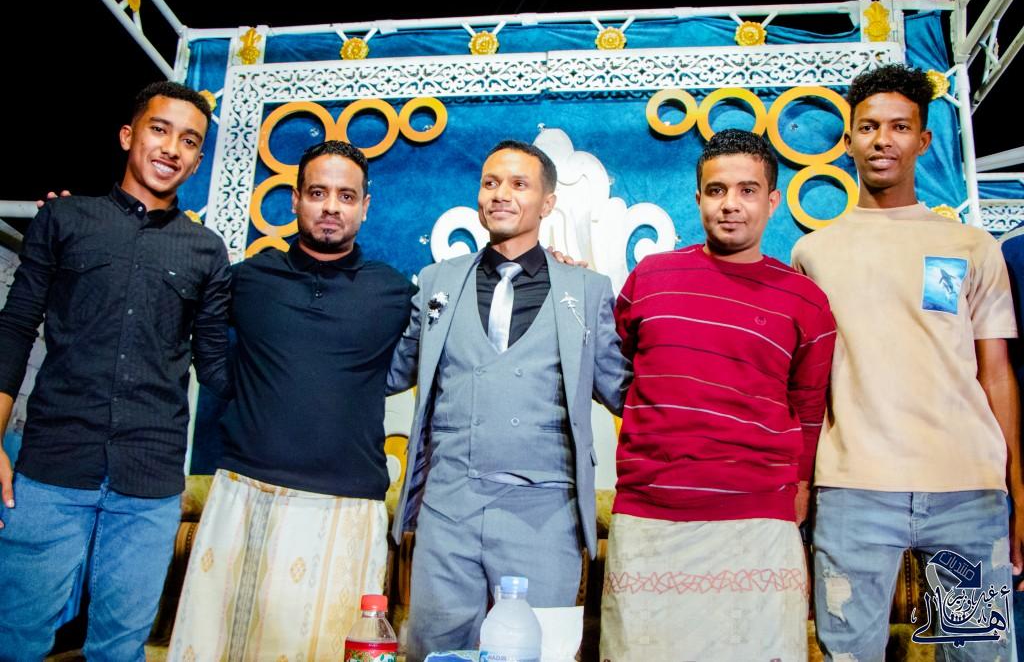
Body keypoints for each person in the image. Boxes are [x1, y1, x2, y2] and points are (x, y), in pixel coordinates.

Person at [792, 64, 1022, 660]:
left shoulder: (971, 246)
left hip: (967, 491)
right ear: (848, 140)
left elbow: (996, 373)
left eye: (899, 126)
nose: (882, 140)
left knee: (976, 654)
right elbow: (804, 386)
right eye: (869, 127)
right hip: (852, 491)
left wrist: (1018, 491)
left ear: (923, 140)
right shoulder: (813, 253)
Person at [0, 82, 230, 660]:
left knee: (121, 648)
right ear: (129, 136)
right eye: (160, 129)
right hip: (51, 468)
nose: (172, 148)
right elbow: (15, 328)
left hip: (149, 481)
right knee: (15, 636)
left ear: (198, 159)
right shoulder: (64, 219)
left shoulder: (207, 251)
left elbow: (216, 368)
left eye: (189, 141)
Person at [167, 141, 415, 661]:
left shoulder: (394, 293)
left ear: (365, 206)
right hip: (244, 494)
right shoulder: (248, 279)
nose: (331, 207)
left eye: (346, 196)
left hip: (346, 507)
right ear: (296, 199)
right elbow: (186, 329)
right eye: (318, 193)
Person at [388, 139, 631, 661]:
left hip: (544, 512)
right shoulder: (436, 282)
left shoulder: (585, 290)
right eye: (490, 183)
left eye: (519, 184)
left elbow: (623, 391)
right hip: (447, 510)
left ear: (547, 203)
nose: (501, 194)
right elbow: (391, 370)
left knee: (537, 651)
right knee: (434, 651)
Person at [599, 129, 835, 660]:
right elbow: (617, 369)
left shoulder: (806, 301)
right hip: (651, 515)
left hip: (758, 519)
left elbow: (808, 407)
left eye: (747, 190)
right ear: (698, 197)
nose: (731, 204)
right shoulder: (651, 278)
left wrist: (797, 487)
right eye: (717, 190)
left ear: (772, 201)